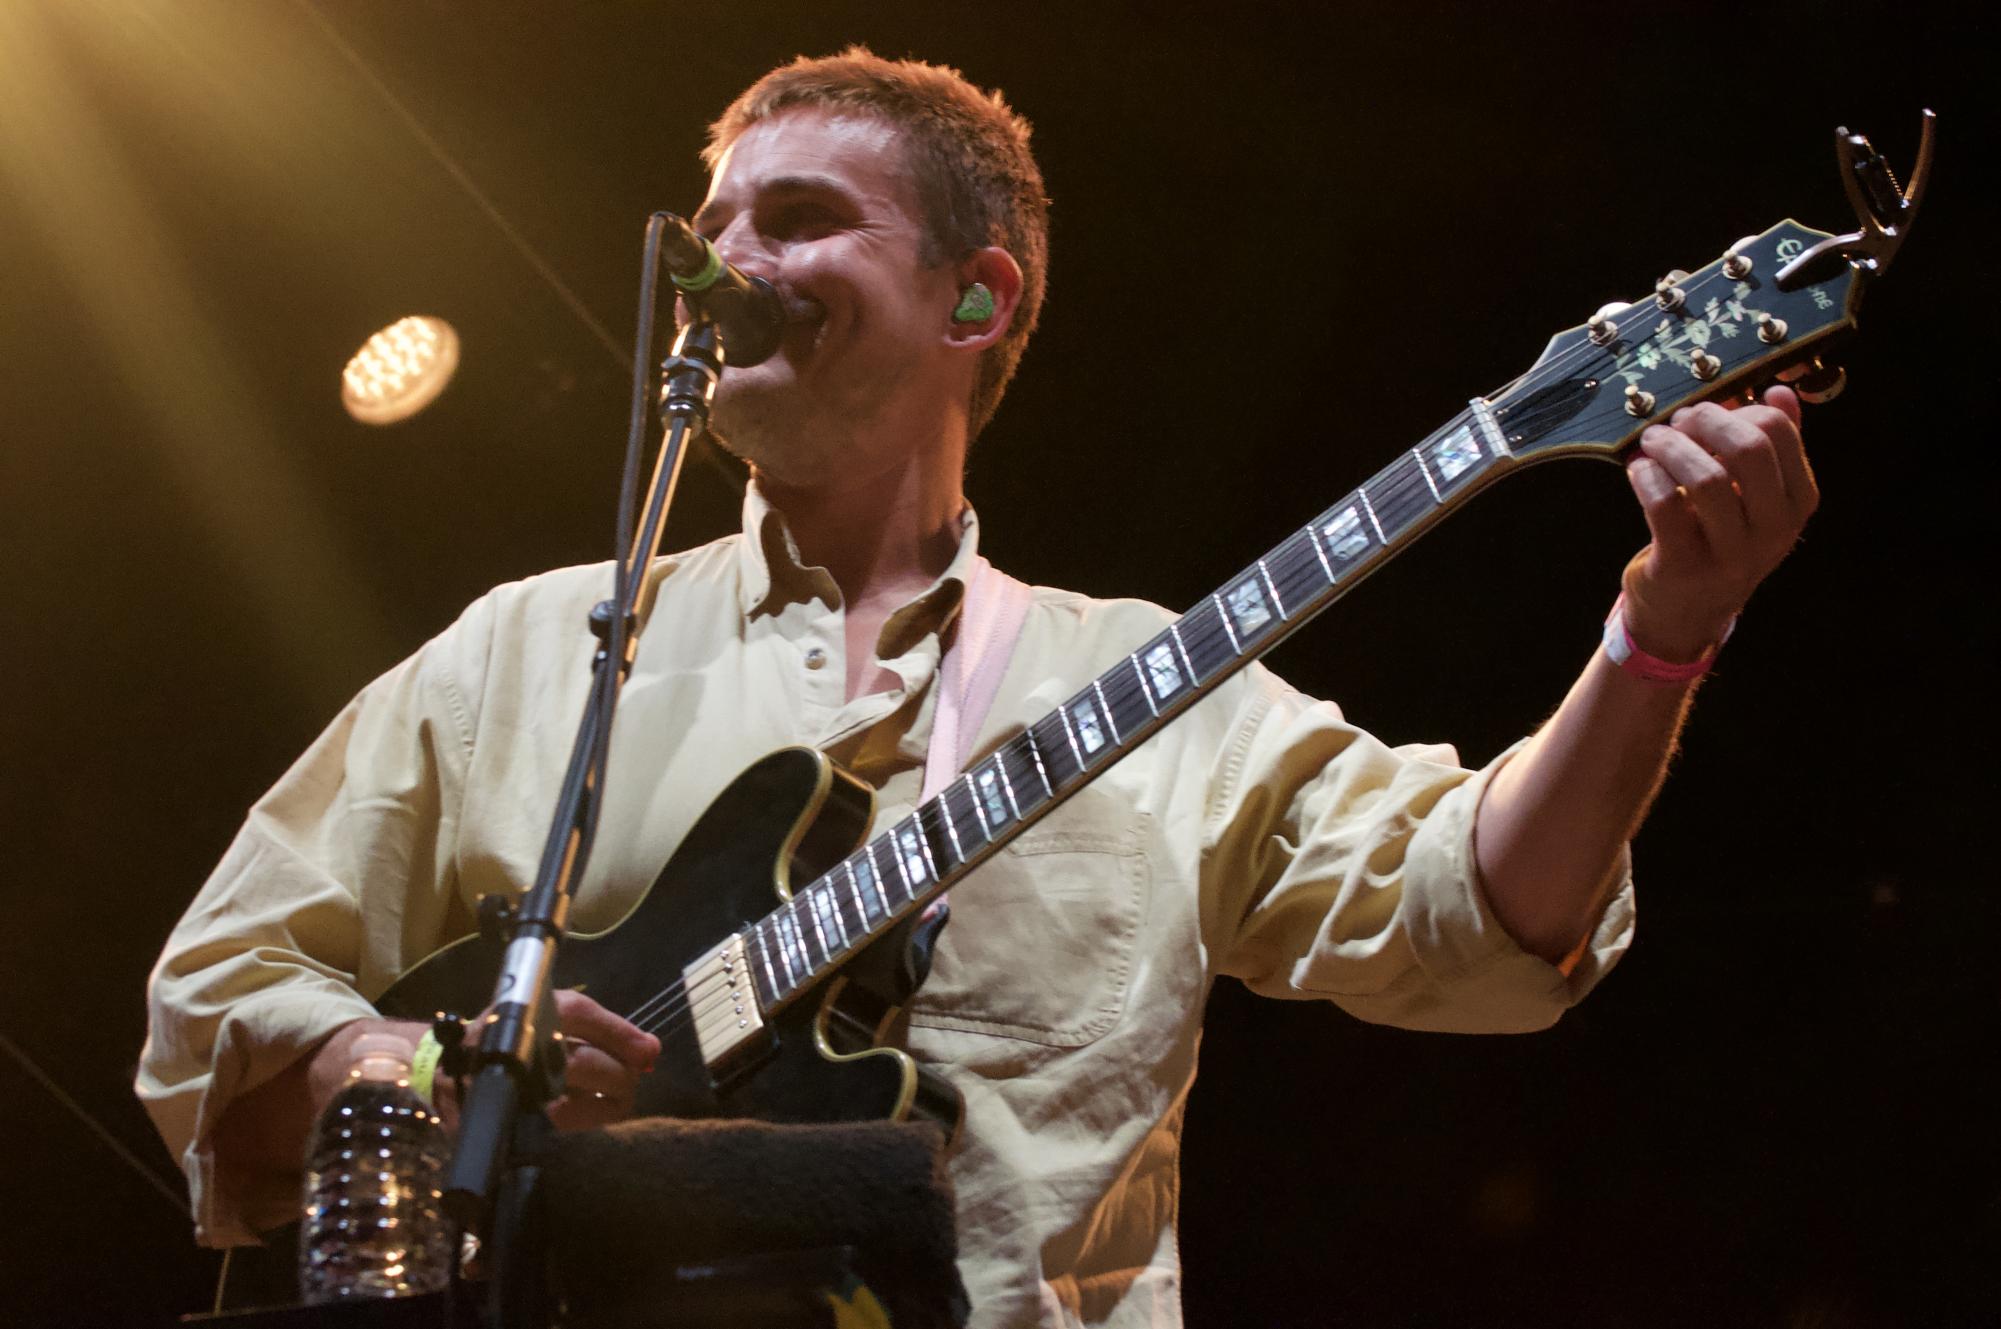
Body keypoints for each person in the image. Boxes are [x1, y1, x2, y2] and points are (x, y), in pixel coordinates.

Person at [138, 48, 1818, 1328]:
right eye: (711, 226)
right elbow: (216, 981)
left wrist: (1658, 635)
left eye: (794, 219)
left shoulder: (1150, 683)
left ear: (976, 293)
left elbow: (1483, 915)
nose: (723, 260)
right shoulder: (531, 646)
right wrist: (394, 1069)